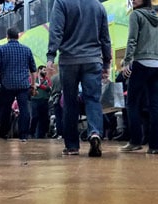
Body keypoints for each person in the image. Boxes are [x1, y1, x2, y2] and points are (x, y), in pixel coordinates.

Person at [47, 0, 111, 157]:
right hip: (93, 60)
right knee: (93, 100)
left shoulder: (62, 3)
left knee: (69, 102)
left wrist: (51, 55)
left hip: (69, 60)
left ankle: (72, 146)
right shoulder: (98, 6)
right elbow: (105, 37)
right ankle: (95, 133)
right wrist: (107, 62)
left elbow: (56, 30)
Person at [119, 0, 158, 155]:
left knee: (132, 103)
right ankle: (154, 146)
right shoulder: (156, 17)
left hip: (141, 64)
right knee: (154, 105)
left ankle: (135, 141)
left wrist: (126, 62)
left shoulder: (136, 15)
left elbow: (132, 40)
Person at [0, 27, 36, 141]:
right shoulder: (27, 50)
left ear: (7, 36)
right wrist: (33, 85)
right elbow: (33, 70)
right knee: (24, 110)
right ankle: (24, 135)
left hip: (7, 84)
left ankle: (4, 133)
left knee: (5, 109)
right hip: (23, 85)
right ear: (18, 36)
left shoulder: (1, 50)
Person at [29, 65, 52, 138]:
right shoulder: (33, 79)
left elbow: (49, 88)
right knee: (34, 117)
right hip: (35, 100)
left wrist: (39, 86)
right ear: (39, 70)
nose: (45, 72)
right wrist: (33, 87)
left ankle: (43, 134)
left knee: (44, 118)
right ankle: (31, 132)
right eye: (44, 70)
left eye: (45, 70)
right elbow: (29, 87)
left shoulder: (47, 80)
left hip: (44, 100)